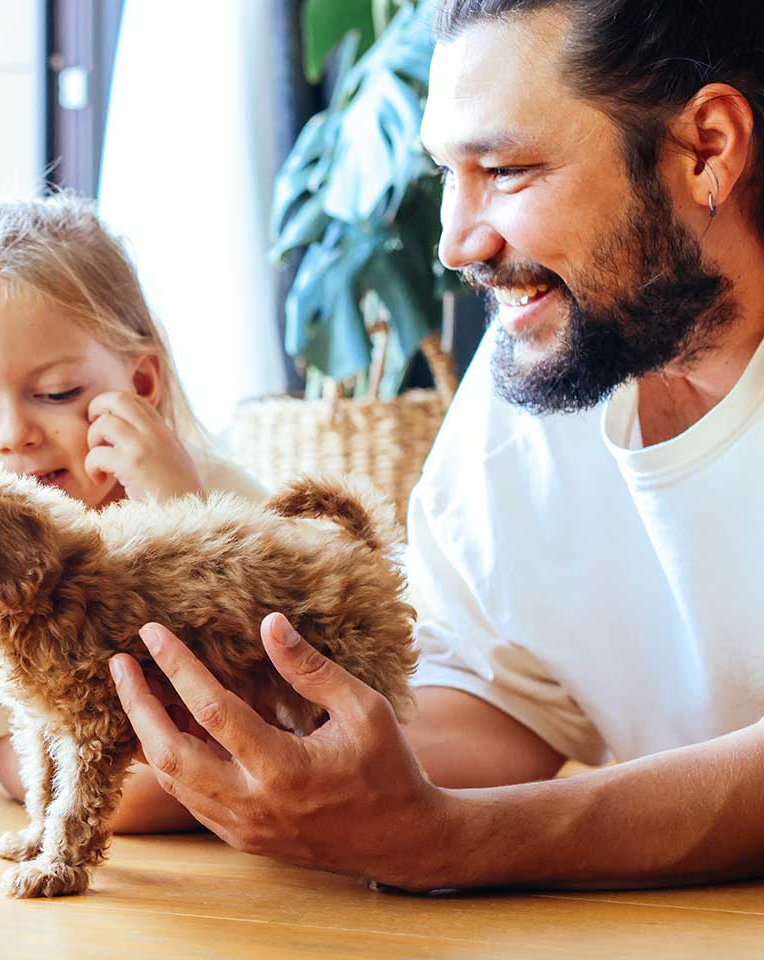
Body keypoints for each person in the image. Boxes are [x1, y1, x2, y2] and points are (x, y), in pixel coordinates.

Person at [109, 0, 764, 890]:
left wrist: (453, 840)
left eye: (505, 169)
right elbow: (494, 700)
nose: (457, 244)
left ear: (707, 149)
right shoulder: (553, 354)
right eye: (446, 175)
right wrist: (269, 742)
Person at [0, 195, 267, 832]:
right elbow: (22, 765)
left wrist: (180, 510)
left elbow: (268, 715)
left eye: (57, 394)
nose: (12, 435)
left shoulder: (219, 497)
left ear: (139, 386)